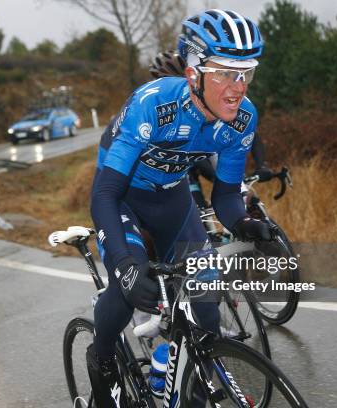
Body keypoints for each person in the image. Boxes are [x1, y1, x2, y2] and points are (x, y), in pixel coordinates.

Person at [88, 9, 274, 407]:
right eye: (225, 72)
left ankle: (190, 391)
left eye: (245, 74)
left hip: (173, 202)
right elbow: (105, 194)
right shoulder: (152, 105)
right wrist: (122, 261)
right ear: (193, 73)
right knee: (127, 291)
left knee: (206, 308)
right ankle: (101, 358)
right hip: (123, 199)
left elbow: (223, 195)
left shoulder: (242, 119)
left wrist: (243, 223)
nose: (237, 88)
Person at [150, 50, 275, 209]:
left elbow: (249, 135)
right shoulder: (158, 110)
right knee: (195, 209)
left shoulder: (216, 103)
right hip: (179, 168)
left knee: (247, 200)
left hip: (207, 158)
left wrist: (260, 165)